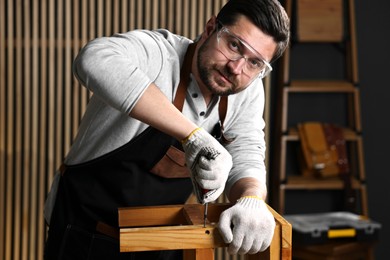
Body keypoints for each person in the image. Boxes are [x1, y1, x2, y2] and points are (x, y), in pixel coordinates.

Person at [44, 0, 290, 259]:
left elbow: (247, 153)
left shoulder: (246, 90)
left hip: (159, 241)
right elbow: (92, 58)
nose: (236, 68)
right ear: (210, 29)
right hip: (83, 233)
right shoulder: (159, 55)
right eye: (233, 45)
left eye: (254, 63)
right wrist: (192, 135)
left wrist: (251, 199)